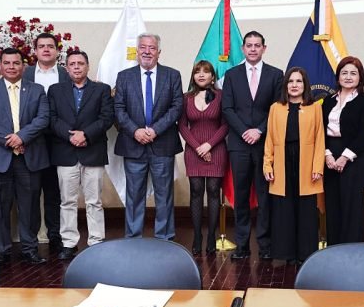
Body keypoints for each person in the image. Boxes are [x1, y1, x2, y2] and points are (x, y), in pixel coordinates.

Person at [0, 48, 51, 264]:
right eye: (6, 63)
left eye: (15, 63)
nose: (11, 67)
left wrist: (22, 137)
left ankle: (29, 249)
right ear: (0, 66)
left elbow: (43, 118)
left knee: (29, 207)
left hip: (29, 157)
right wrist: (10, 139)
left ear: (23, 66)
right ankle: (1, 250)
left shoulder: (37, 90)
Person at [113, 33, 183, 240]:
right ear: (137, 51)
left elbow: (177, 106)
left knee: (164, 196)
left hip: (162, 144)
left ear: (159, 52)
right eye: (143, 47)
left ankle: (165, 238)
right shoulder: (124, 76)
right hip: (133, 144)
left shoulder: (173, 75)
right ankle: (133, 238)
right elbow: (118, 108)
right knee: (134, 196)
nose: (147, 51)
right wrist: (135, 130)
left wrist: (155, 130)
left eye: (152, 48)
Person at [221, 31, 284, 260]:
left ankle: (266, 247)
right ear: (244, 48)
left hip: (265, 144)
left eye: (257, 45)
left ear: (264, 48)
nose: (253, 49)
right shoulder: (231, 74)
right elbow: (227, 108)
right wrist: (244, 131)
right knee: (241, 196)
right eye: (249, 45)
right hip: (239, 145)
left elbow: (278, 108)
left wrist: (259, 130)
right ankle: (242, 246)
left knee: (265, 196)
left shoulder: (276, 75)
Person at [47, 51, 114, 259]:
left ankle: (95, 241)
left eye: (80, 63)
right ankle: (68, 243)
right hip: (65, 152)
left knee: (94, 201)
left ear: (87, 66)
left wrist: (86, 134)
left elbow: (107, 118)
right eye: (72, 64)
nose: (76, 67)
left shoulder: (101, 89)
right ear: (66, 68)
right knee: (67, 201)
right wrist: (71, 137)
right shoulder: (55, 90)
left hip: (92, 151)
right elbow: (51, 118)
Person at [263, 67, 325, 264]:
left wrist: (317, 167)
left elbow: (319, 139)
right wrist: (268, 165)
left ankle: (305, 254)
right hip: (282, 161)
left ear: (305, 85)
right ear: (286, 85)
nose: (294, 85)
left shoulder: (315, 107)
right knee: (284, 208)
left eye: (299, 81)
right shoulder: (276, 108)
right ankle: (286, 253)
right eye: (291, 81)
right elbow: (270, 139)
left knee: (306, 209)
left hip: (306, 161)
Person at [24, 32, 70, 254]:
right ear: (35, 51)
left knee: (54, 192)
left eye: (50, 46)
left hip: (59, 140)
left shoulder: (66, 73)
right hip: (31, 141)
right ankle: (30, 239)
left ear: (57, 51)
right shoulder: (24, 74)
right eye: (41, 46)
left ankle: (55, 235)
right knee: (31, 191)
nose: (46, 50)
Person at [322, 56, 364, 245]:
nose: (348, 77)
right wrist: (327, 154)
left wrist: (344, 157)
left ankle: (351, 248)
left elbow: (363, 134)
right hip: (329, 153)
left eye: (353, 73)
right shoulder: (328, 101)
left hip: (353, 156)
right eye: (344, 73)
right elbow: (320, 129)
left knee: (351, 204)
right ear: (338, 77)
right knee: (333, 203)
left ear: (360, 77)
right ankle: (334, 246)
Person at [178, 60, 228, 256]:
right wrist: (198, 147)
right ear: (193, 76)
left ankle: (211, 237)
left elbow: (225, 125)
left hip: (216, 150)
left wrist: (208, 145)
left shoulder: (221, 97)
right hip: (193, 150)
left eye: (205, 72)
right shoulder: (186, 98)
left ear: (212, 77)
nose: (201, 75)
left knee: (214, 191)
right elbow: (181, 125)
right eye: (197, 71)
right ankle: (198, 236)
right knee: (196, 191)